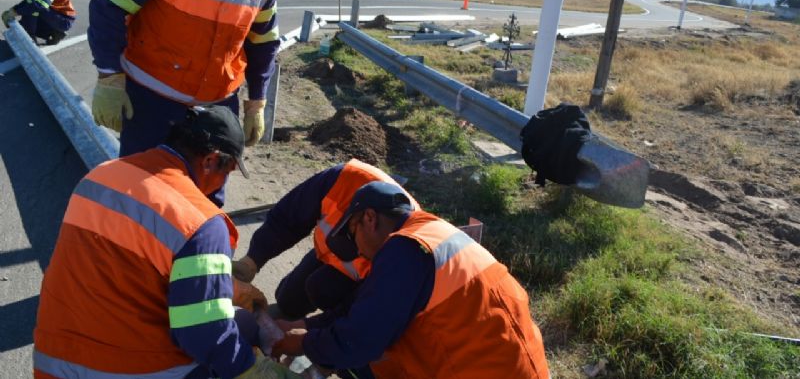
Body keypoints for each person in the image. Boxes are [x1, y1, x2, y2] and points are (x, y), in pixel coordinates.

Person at [33, 105, 300, 379]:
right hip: (127, 371)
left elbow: (130, 268)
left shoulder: (100, 176)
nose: (223, 183)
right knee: (238, 337)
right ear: (210, 161)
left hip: (52, 364)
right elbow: (205, 334)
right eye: (228, 171)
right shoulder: (200, 223)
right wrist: (254, 370)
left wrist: (225, 286)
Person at [272, 181, 551, 379]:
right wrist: (302, 327)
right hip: (524, 369)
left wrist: (307, 344)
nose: (358, 252)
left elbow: (358, 341)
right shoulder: (432, 234)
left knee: (355, 356)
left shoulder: (405, 249)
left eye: (353, 235)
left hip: (478, 371)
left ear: (369, 218)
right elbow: (360, 310)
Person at [87, 0, 283, 205]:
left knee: (204, 202)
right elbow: (109, 8)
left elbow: (264, 42)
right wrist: (109, 76)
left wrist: (257, 102)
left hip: (217, 108)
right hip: (153, 101)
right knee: (140, 195)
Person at [233, 159, 419, 321]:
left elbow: (367, 317)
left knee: (322, 288)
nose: (359, 252)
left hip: (358, 282)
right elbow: (289, 217)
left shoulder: (408, 251)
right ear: (367, 217)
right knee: (288, 301)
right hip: (328, 254)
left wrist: (310, 335)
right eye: (347, 234)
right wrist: (253, 260)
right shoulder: (342, 180)